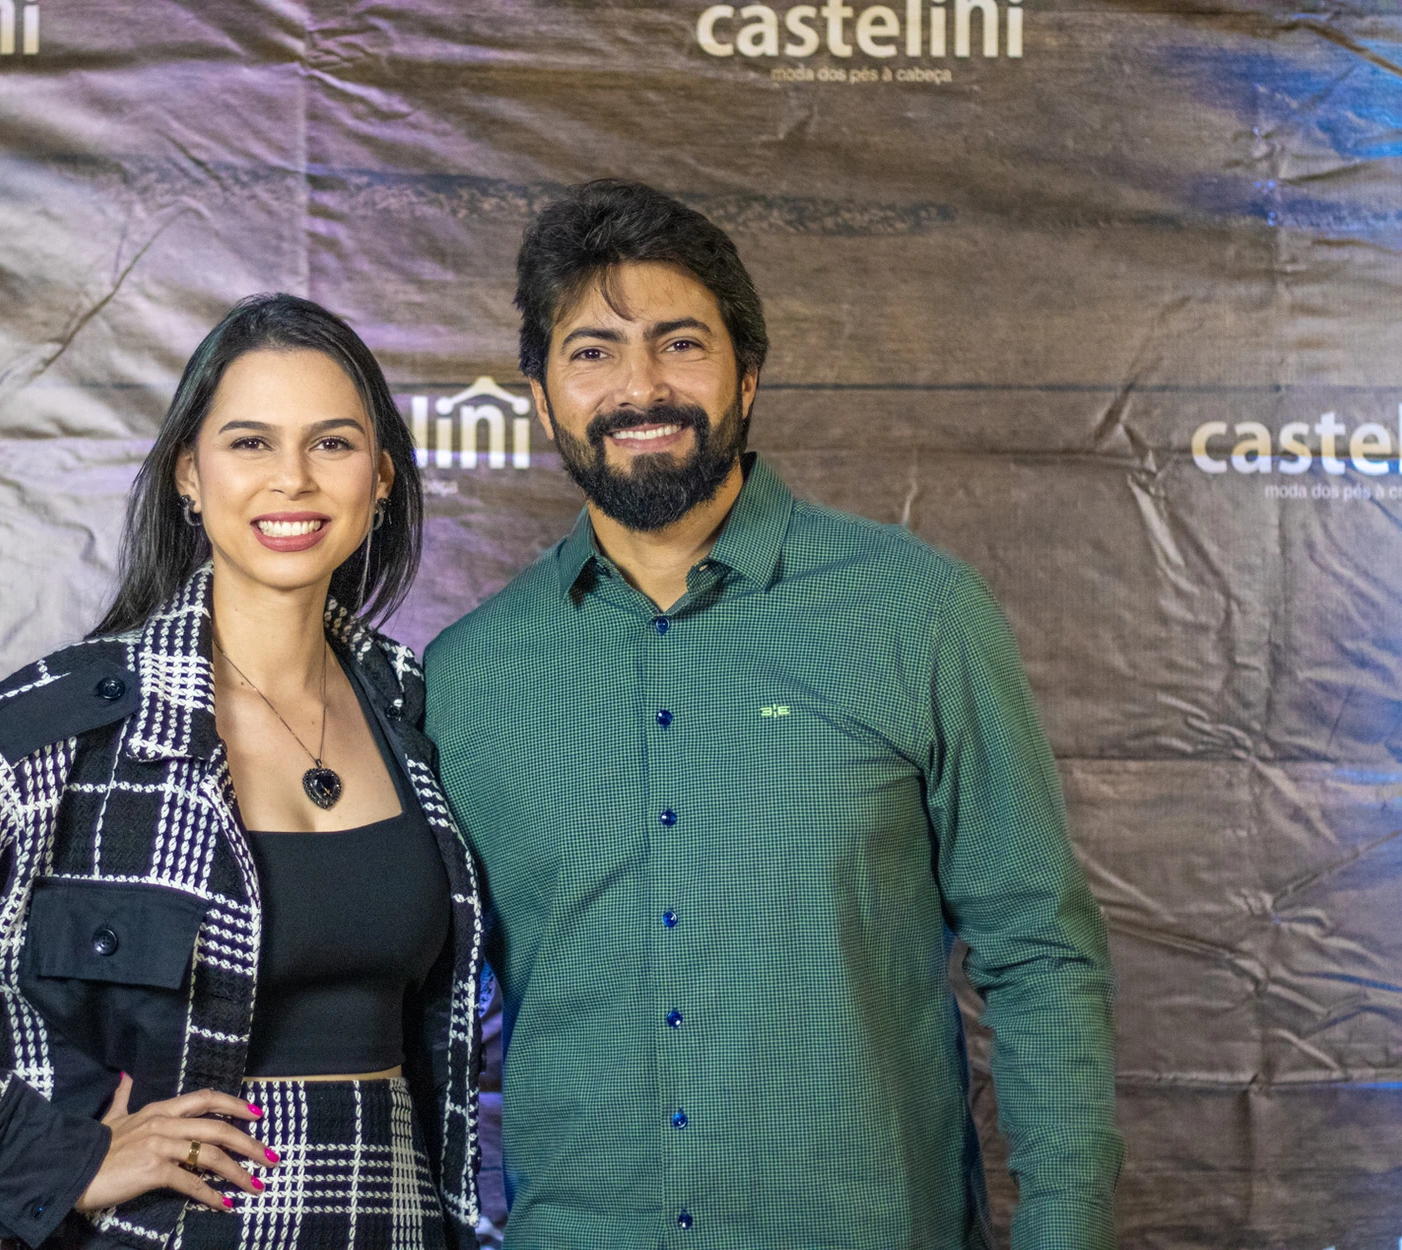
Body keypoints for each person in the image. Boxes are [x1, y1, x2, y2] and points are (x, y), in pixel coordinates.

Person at [424, 180, 1122, 1249]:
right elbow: (403, 997)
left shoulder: (914, 610)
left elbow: (1036, 950)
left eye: (679, 344)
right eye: (593, 352)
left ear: (747, 373)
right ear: (540, 394)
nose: (640, 387)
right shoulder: (467, 674)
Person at [0, 294, 483, 1250]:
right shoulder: (67, 721)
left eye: (333, 443)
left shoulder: (413, 705)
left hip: (396, 1221)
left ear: (381, 476)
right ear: (189, 473)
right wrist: (46, 1156)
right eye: (250, 443)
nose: (293, 479)